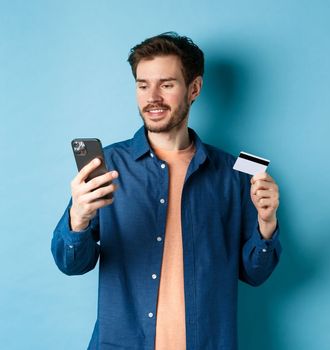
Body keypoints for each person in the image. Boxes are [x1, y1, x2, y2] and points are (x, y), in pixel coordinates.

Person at [50, 32, 282, 349]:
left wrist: (267, 227)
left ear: (194, 89)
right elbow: (71, 264)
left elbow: (255, 274)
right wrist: (78, 219)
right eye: (143, 85)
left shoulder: (235, 173)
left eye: (167, 84)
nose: (152, 97)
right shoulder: (105, 164)